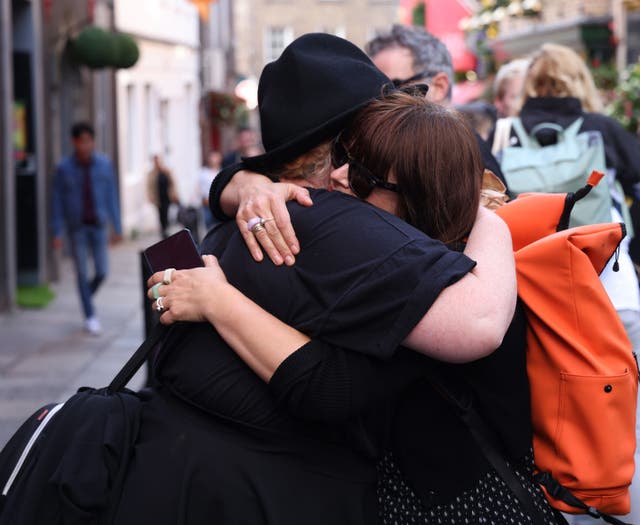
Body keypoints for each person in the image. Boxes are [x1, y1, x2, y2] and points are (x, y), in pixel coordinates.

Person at [146, 33, 562, 524]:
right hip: (412, 494)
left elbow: (338, 379)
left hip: (439, 493)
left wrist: (221, 286)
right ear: (336, 150)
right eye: (374, 132)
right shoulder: (336, 222)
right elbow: (334, 382)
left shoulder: (367, 228)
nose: (348, 178)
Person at [494, 43, 640, 524]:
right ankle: (613, 485)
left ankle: (559, 489)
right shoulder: (602, 131)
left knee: (550, 390)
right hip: (611, 288)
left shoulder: (503, 135)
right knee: (618, 392)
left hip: (536, 287)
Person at [365, 24, 508, 187]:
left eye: (395, 87)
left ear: (439, 86)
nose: (381, 101)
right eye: (376, 91)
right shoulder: (416, 152)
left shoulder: (459, 160)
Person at [51, 121, 122, 335]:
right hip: (77, 229)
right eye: (82, 141)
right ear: (74, 142)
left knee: (101, 271)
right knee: (82, 273)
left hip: (98, 226)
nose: (86, 146)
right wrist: (57, 231)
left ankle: (86, 297)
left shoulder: (104, 165)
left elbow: (111, 196)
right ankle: (90, 315)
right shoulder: (64, 169)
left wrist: (116, 227)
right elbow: (56, 202)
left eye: (89, 141)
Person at [146, 154, 179, 239]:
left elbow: (172, 183)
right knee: (160, 215)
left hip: (167, 197)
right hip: (158, 198)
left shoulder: (166, 172)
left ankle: (167, 230)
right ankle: (163, 231)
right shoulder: (152, 174)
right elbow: (149, 186)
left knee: (166, 213)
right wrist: (150, 197)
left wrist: (174, 193)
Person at [199, 150, 222, 230]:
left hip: (219, 204)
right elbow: (199, 188)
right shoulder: (203, 173)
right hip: (207, 204)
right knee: (209, 228)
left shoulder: (222, 172)